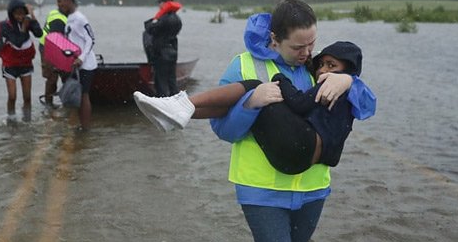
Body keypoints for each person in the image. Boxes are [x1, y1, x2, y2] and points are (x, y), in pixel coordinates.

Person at [177, 0, 376, 242]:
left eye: (312, 45)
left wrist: (349, 80)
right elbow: (224, 130)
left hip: (313, 190)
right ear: (274, 39)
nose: (307, 54)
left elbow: (366, 106)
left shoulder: (320, 68)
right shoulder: (245, 65)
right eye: (298, 47)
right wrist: (250, 102)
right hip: (262, 191)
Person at [133, 41, 376, 174]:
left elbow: (302, 105)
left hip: (300, 151)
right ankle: (176, 112)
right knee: (250, 96)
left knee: (254, 87)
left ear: (348, 70)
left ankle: (181, 107)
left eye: (332, 66)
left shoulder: (336, 86)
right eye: (322, 64)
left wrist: (281, 80)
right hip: (298, 164)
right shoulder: (333, 87)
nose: (323, 71)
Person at [0, 0, 43, 120]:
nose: (20, 17)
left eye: (22, 14)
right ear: (11, 14)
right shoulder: (3, 26)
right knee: (12, 96)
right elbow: (18, 42)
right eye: (17, 14)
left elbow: (39, 33)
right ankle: (11, 120)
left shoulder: (27, 21)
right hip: (10, 65)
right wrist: (24, 29)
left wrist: (32, 16)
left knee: (27, 97)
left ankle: (27, 120)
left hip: (25, 64)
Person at [57, 0, 97, 130]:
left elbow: (91, 39)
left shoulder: (80, 18)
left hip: (86, 65)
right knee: (76, 95)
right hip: (75, 65)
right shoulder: (69, 18)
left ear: (68, 0)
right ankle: (78, 126)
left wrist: (81, 58)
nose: (59, 5)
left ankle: (85, 128)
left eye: (60, 2)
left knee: (84, 95)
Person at [143, 0, 183, 97]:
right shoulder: (177, 19)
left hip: (161, 54)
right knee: (172, 81)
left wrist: (150, 22)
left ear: (165, 3)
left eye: (160, 3)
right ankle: (176, 102)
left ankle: (163, 102)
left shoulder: (164, 19)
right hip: (173, 53)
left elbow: (150, 29)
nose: (159, 5)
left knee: (161, 82)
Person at [38, 0, 69, 107]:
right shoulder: (57, 18)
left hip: (57, 46)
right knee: (52, 76)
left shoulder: (69, 15)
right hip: (48, 47)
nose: (60, 4)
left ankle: (64, 100)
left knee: (65, 75)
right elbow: (56, 40)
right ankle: (49, 104)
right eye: (59, 2)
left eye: (62, 1)